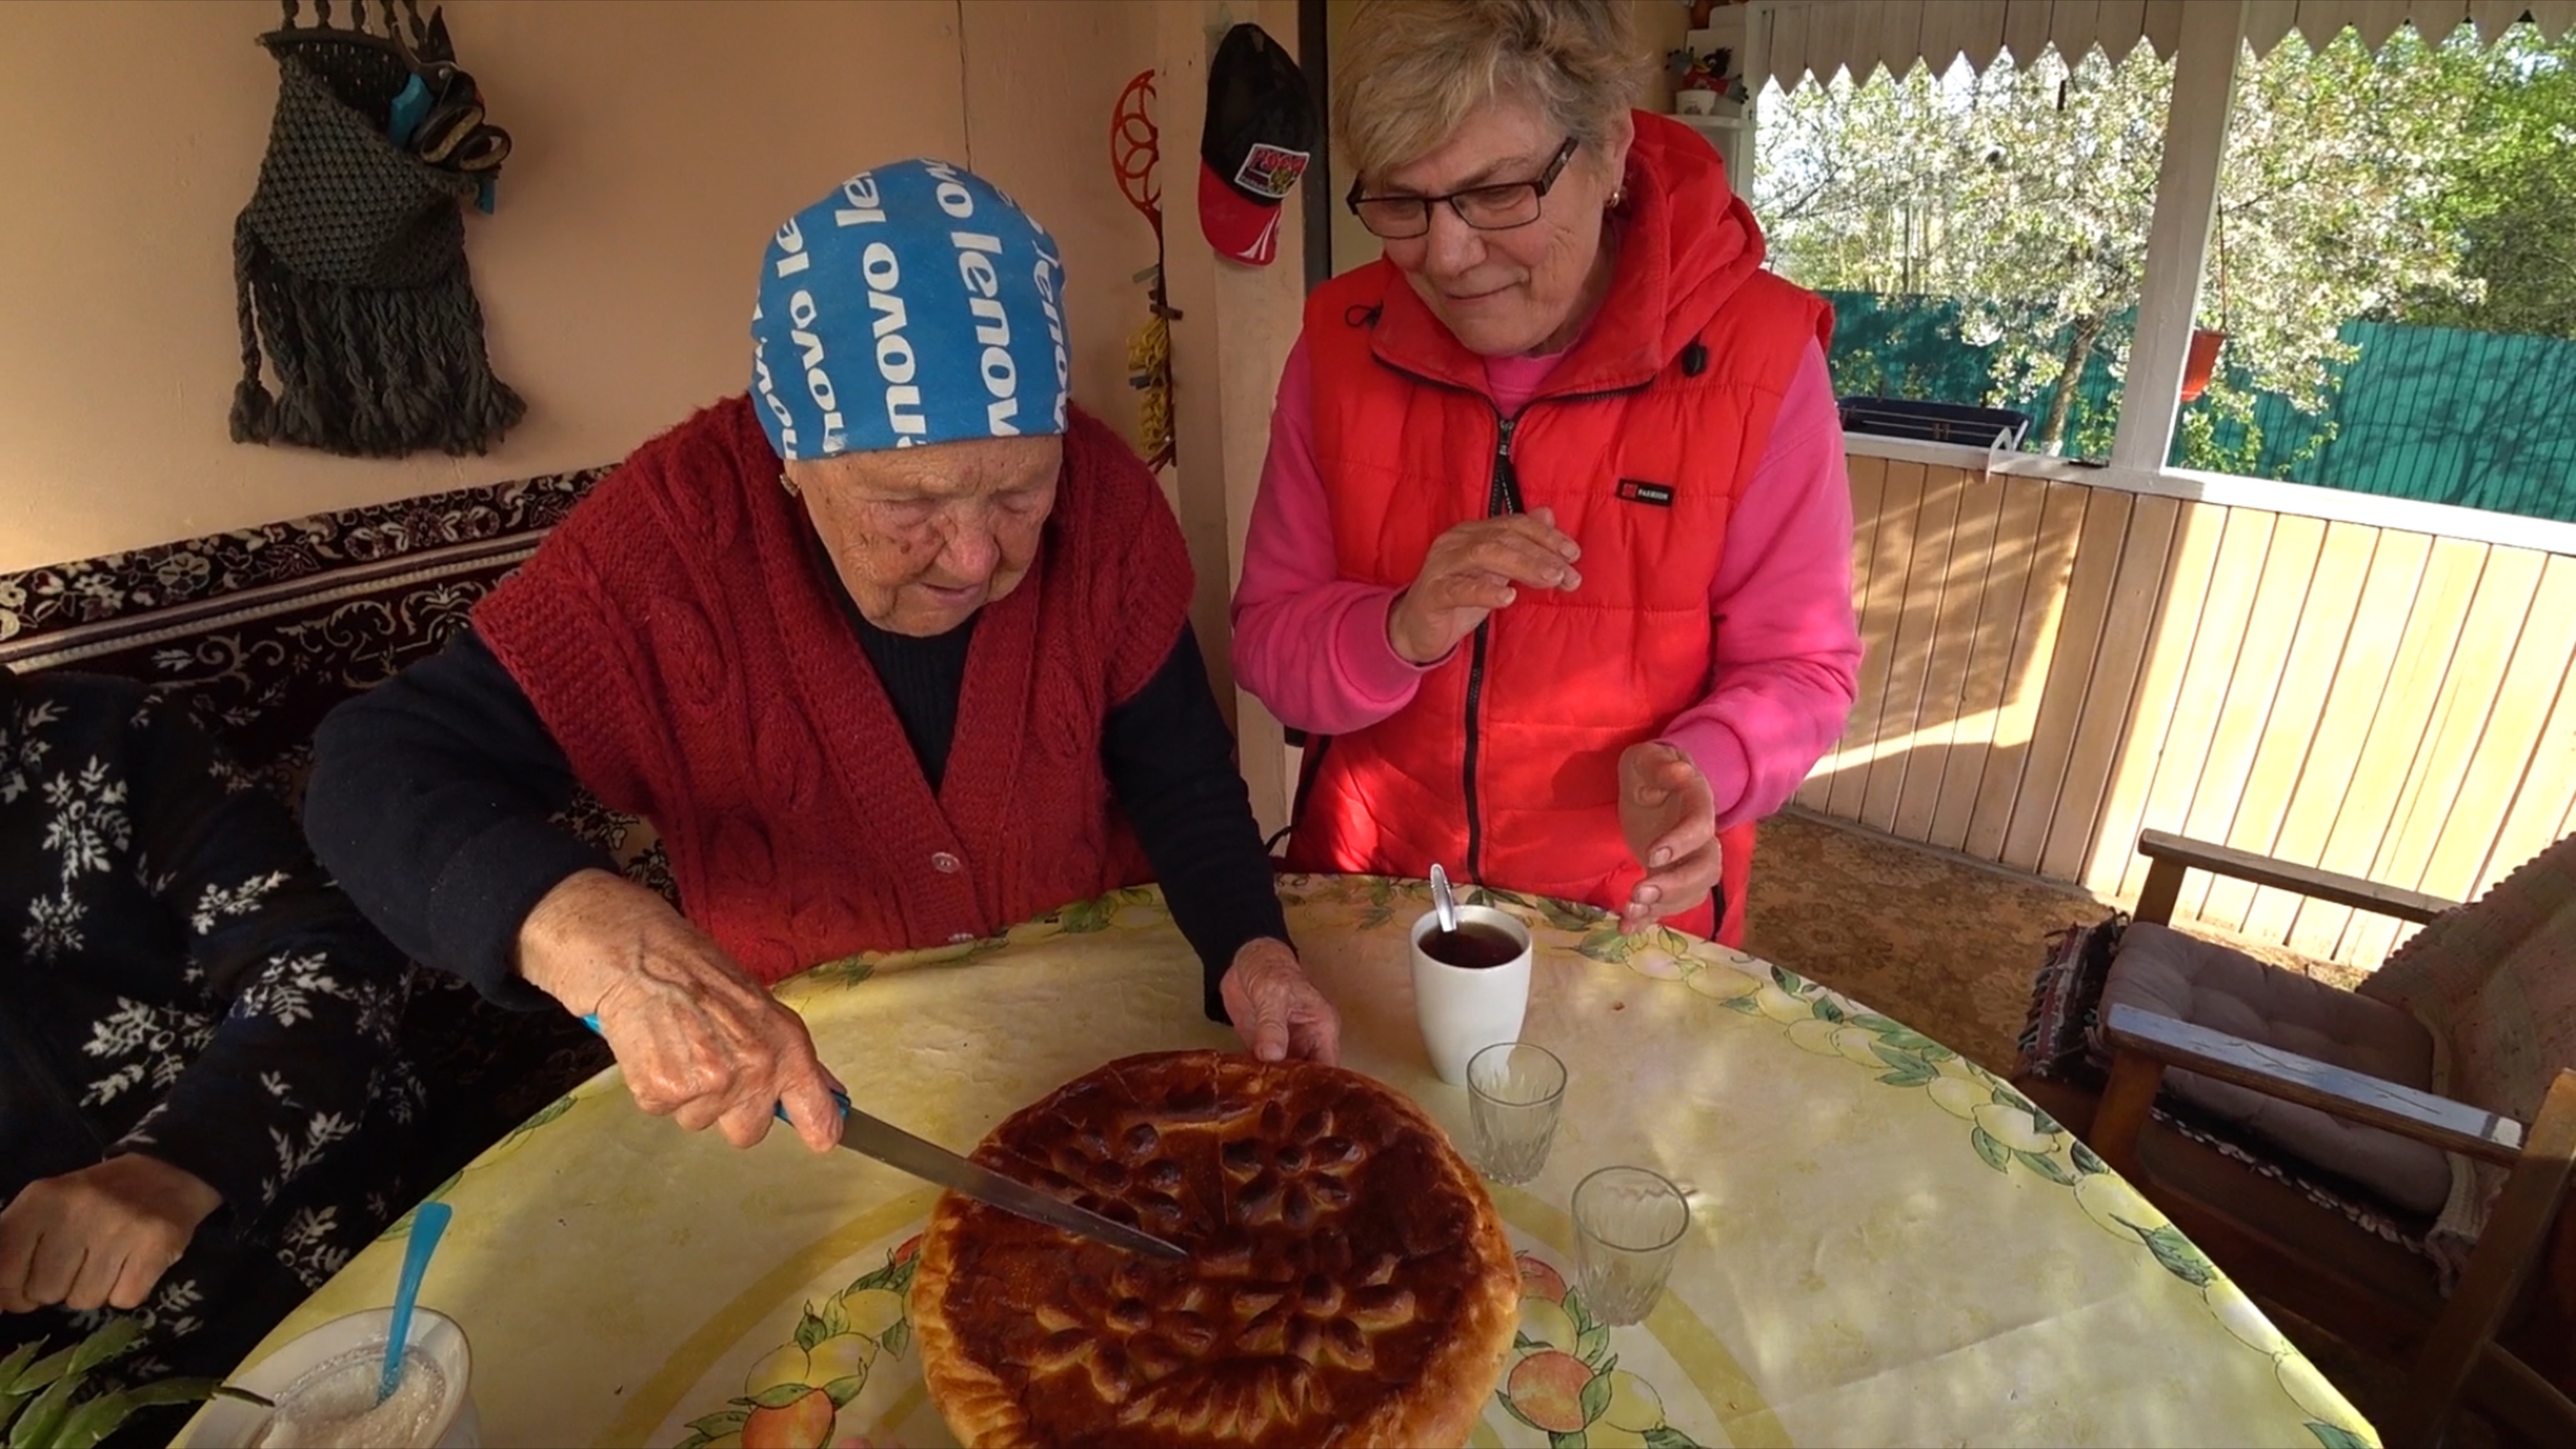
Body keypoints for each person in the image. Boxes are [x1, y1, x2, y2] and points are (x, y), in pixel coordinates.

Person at [306, 160, 1339, 1157]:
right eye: (910, 502)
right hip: (817, 1103)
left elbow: (1186, 777)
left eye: (1022, 491)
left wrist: (1253, 950)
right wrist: (592, 935)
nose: (978, 555)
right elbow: (372, 768)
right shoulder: (670, 537)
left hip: (1099, 1034)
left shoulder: (1108, 496)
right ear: (793, 461)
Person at [1233, 0, 1860, 947]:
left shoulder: (1760, 356)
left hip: (1623, 927)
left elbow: (1803, 667)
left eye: (1495, 194)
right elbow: (1270, 643)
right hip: (1377, 902)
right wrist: (1399, 630)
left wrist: (1707, 766)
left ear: (1607, 151)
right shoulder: (1338, 340)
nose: (1444, 257)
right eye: (1401, 203)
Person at [0, 668, 426, 1394]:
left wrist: (179, 1163)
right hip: (102, 1399)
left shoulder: (103, 731)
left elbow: (329, 954)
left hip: (387, 1226)